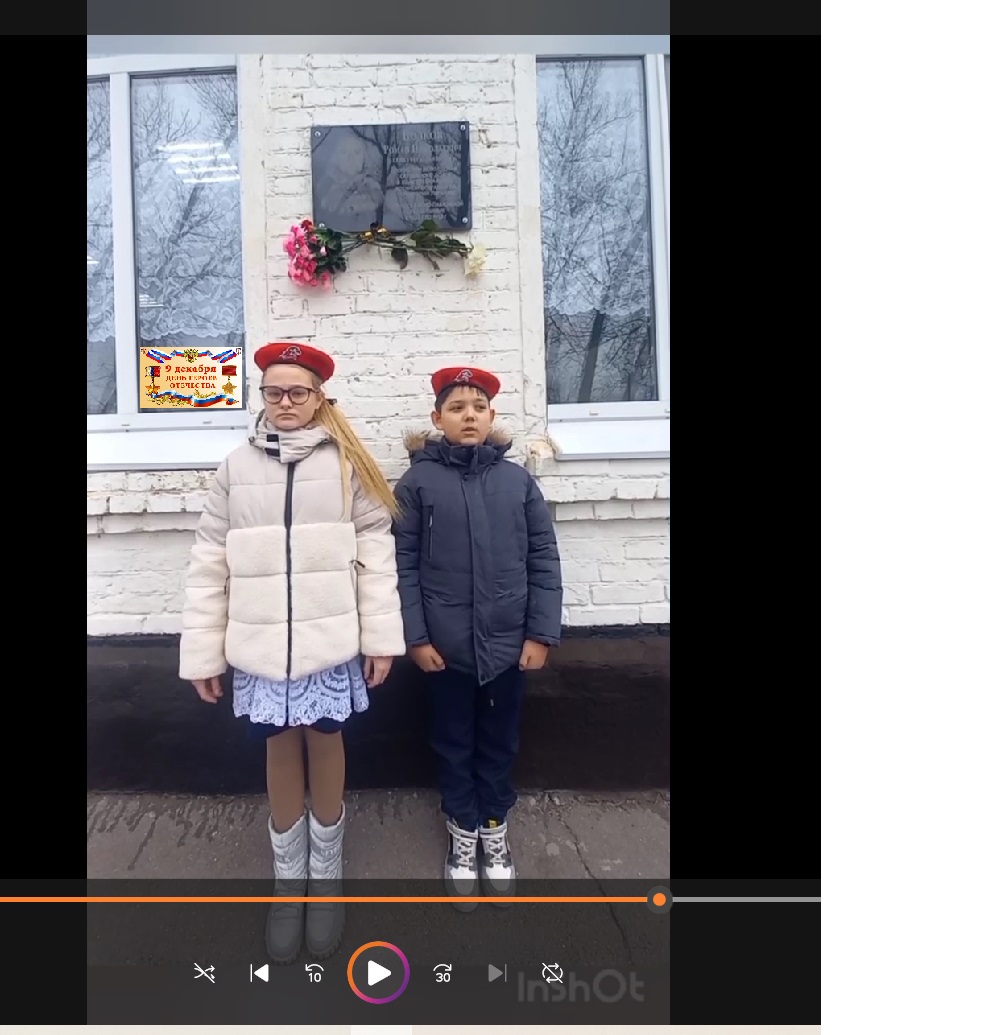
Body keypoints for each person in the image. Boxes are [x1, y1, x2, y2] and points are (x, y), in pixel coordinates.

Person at [178, 342, 405, 962]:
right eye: (273, 392)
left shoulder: (345, 465)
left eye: (297, 392)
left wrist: (382, 637)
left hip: (328, 642)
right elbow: (208, 560)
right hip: (259, 644)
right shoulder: (235, 468)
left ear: (318, 397)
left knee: (326, 742)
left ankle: (325, 879)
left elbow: (376, 549)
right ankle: (288, 883)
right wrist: (203, 653)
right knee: (278, 746)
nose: (284, 402)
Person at [392, 366, 563, 910]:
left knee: (499, 741)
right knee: (452, 741)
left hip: (509, 649)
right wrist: (417, 638)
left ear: (492, 417)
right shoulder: (417, 485)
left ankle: (493, 824)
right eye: (457, 407)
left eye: (479, 407)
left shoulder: (517, 483)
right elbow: (403, 566)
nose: (469, 416)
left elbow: (543, 558)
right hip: (446, 652)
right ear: (437, 417)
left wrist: (540, 633)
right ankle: (462, 830)